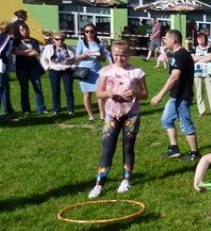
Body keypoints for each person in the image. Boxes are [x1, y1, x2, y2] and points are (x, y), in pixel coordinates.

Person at [88, 41, 148, 199]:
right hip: (111, 115)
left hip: (131, 115)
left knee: (128, 148)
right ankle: (99, 184)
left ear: (128, 55)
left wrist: (135, 93)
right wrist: (108, 94)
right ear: (112, 55)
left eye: (123, 55)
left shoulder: (137, 72)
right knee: (107, 150)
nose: (119, 58)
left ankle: (126, 180)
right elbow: (99, 93)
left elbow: (145, 94)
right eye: (116, 55)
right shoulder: (106, 71)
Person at [150, 30, 200, 162]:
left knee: (185, 123)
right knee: (166, 120)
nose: (164, 41)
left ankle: (195, 153)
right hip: (175, 96)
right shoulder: (177, 55)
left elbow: (174, 77)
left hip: (182, 97)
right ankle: (174, 149)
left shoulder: (181, 55)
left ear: (174, 40)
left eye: (166, 39)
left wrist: (160, 95)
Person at [12, 22, 47, 116]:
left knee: (38, 88)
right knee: (24, 88)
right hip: (21, 67)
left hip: (33, 67)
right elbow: (15, 52)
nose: (24, 31)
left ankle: (42, 109)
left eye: (26, 29)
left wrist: (22, 52)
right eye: (22, 29)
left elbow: (36, 53)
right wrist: (28, 51)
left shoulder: (33, 41)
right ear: (19, 31)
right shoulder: (16, 41)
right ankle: (26, 109)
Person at [75, 24, 107, 122]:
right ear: (84, 32)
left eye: (91, 31)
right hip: (84, 71)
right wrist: (84, 55)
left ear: (95, 32)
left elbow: (104, 59)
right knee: (87, 95)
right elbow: (76, 58)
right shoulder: (81, 43)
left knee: (100, 94)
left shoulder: (100, 43)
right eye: (87, 31)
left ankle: (102, 116)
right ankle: (91, 116)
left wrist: (99, 56)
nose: (89, 33)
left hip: (97, 70)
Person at [40, 31, 75, 116]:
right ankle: (56, 110)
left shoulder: (70, 48)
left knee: (68, 91)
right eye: (57, 39)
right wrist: (47, 67)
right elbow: (43, 58)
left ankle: (70, 110)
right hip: (54, 70)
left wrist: (73, 66)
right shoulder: (49, 48)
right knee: (55, 90)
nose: (60, 41)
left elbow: (76, 59)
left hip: (67, 70)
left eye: (62, 39)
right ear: (53, 40)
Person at [192, 33, 211, 117]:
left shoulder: (209, 48)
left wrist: (198, 58)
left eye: (203, 38)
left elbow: (209, 58)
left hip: (208, 72)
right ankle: (201, 111)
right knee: (199, 92)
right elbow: (192, 58)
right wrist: (203, 58)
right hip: (197, 73)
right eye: (199, 38)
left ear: (205, 39)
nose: (200, 40)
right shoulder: (194, 48)